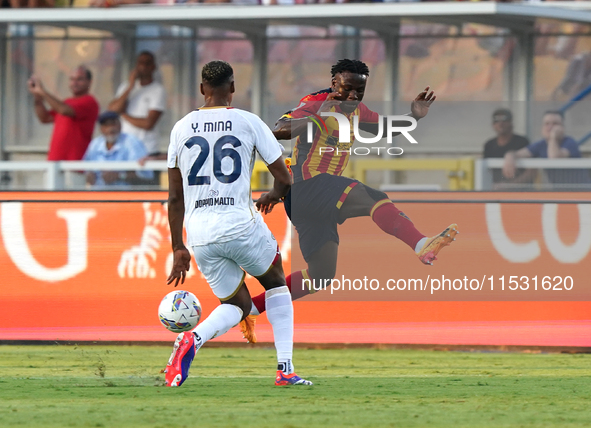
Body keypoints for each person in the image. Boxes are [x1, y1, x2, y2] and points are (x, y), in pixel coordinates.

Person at [240, 59, 458, 343]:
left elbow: (384, 127)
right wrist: (320, 116)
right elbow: (279, 128)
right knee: (375, 199)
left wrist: (414, 116)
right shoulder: (315, 102)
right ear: (334, 85)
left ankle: (250, 308)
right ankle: (420, 243)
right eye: (347, 90)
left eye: (359, 91)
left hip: (311, 200)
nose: (353, 97)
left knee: (321, 275)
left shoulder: (356, 109)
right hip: (308, 187)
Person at [164, 60, 312, 387]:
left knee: (238, 304)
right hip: (239, 223)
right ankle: (285, 369)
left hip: (200, 233)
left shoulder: (181, 128)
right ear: (232, 88)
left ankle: (193, 339)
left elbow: (175, 198)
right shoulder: (247, 121)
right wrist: (274, 193)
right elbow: (284, 177)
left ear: (202, 89)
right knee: (275, 281)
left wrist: (178, 246)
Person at [28, 66, 99, 161]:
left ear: (89, 82)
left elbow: (64, 110)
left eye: (79, 79)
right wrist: (37, 97)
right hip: (54, 162)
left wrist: (43, 92)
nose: (75, 83)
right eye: (72, 79)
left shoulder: (89, 101)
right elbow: (45, 118)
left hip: (74, 163)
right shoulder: (67, 102)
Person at [503, 110, 590, 186]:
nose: (550, 127)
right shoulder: (541, 144)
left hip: (581, 191)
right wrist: (509, 156)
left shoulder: (570, 142)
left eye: (555, 124)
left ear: (562, 127)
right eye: (546, 124)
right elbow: (518, 153)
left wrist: (553, 137)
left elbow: (554, 158)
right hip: (561, 192)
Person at [108, 51, 166, 158]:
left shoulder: (158, 90)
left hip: (147, 150)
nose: (143, 67)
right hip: (125, 149)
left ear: (153, 67)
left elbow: (148, 123)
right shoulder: (126, 87)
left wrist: (124, 115)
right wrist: (130, 87)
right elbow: (112, 110)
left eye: (147, 63)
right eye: (140, 63)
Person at [83, 111, 153, 187]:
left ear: (120, 125)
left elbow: (145, 176)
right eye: (106, 125)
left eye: (113, 124)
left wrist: (120, 176)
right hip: (97, 196)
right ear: (101, 128)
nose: (110, 128)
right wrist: (89, 175)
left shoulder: (131, 142)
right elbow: (86, 168)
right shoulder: (95, 144)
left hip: (125, 196)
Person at [483, 108, 531, 187]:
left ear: (511, 123)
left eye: (504, 120)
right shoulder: (489, 145)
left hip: (520, 190)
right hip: (495, 190)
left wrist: (510, 185)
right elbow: (486, 171)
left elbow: (532, 171)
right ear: (493, 125)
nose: (500, 124)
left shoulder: (522, 142)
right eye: (496, 121)